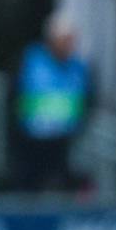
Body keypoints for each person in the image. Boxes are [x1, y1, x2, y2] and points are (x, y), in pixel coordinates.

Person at [14, 11, 93, 191]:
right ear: (51, 39)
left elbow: (88, 99)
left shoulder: (78, 66)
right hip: (32, 139)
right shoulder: (30, 60)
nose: (69, 45)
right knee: (29, 185)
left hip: (66, 139)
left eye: (71, 40)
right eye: (64, 39)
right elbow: (14, 95)